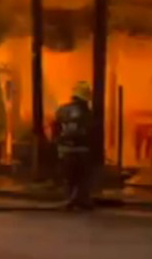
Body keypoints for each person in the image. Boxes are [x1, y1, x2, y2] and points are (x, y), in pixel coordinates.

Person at [54, 81, 94, 210]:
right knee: (82, 177)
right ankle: (81, 200)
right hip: (81, 150)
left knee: (68, 177)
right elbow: (90, 130)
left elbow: (56, 127)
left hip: (64, 149)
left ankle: (70, 199)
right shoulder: (86, 112)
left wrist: (58, 142)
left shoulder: (62, 109)